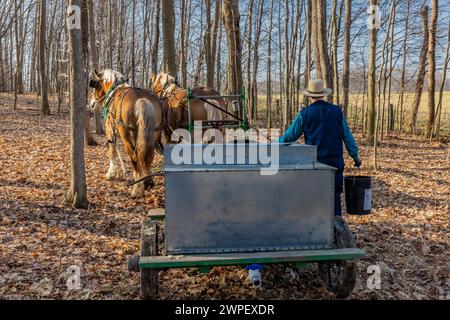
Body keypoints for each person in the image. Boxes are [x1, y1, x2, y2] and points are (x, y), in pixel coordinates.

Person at [279, 79, 362, 216]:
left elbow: (289, 137)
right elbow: (347, 136)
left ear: (309, 96)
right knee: (334, 196)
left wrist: (275, 143)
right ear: (323, 94)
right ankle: (335, 230)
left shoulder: (305, 114)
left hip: (314, 163)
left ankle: (316, 228)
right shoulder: (337, 112)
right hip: (335, 162)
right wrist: (355, 155)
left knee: (314, 196)